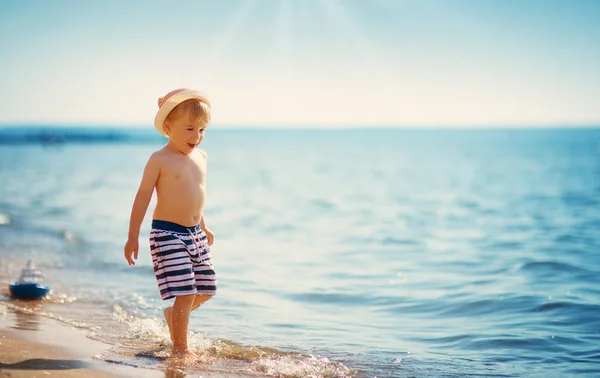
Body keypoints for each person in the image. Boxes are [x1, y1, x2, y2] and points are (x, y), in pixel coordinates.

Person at [123, 88, 217, 359]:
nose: (196, 137)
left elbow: (196, 196)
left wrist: (204, 225)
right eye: (189, 129)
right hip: (167, 233)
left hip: (195, 233)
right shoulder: (159, 159)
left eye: (202, 130)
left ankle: (172, 314)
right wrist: (132, 237)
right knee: (186, 293)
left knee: (207, 289)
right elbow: (142, 197)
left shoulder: (202, 157)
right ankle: (180, 349)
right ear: (168, 127)